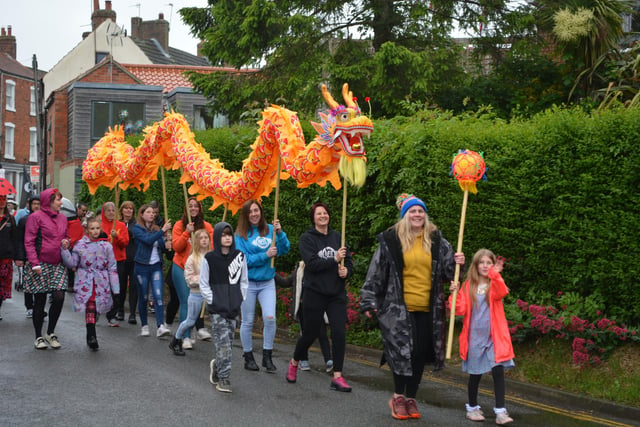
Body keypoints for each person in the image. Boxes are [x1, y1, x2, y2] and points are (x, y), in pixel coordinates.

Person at [360, 193, 465, 420]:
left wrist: (458, 263)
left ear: (425, 215)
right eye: (412, 211)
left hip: (428, 308)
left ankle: (411, 398)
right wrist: (368, 299)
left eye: (420, 211)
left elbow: (449, 273)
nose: (417, 214)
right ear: (404, 216)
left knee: (418, 354)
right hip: (397, 309)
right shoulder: (391, 241)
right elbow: (376, 271)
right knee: (401, 353)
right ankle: (398, 397)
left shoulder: (437, 240)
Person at [285, 203, 352, 392]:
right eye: (318, 213)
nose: (323, 216)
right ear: (313, 218)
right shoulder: (307, 239)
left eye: (325, 213)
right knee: (310, 334)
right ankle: (295, 361)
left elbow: (349, 263)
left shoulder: (339, 237)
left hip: (336, 294)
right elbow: (312, 264)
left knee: (339, 332)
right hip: (315, 293)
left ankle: (337, 376)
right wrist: (334, 260)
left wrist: (346, 271)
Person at [449, 249, 515, 425]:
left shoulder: (495, 284)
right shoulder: (469, 285)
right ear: (476, 265)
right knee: (475, 374)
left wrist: (496, 275)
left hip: (493, 337)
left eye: (489, 263)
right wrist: (454, 294)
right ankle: (472, 407)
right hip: (475, 338)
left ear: (493, 266)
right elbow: (459, 310)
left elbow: (502, 292)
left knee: (497, 370)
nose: (485, 266)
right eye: (482, 263)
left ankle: (500, 411)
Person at [235, 199, 290, 373]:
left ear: (261, 212)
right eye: (250, 211)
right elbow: (242, 260)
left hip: (267, 282)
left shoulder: (271, 230)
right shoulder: (240, 235)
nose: (254, 214)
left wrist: (280, 234)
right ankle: (248, 356)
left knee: (270, 318)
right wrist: (265, 255)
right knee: (248, 321)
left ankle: (267, 356)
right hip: (248, 283)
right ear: (245, 214)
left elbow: (284, 249)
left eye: (256, 210)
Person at [201, 222, 248, 393]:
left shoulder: (240, 256)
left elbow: (244, 280)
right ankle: (224, 378)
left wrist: (239, 299)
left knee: (228, 342)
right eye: (223, 234)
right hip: (217, 309)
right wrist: (213, 301)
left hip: (233, 307)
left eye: (229, 234)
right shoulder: (210, 259)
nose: (227, 237)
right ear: (217, 237)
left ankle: (218, 367)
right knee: (224, 345)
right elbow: (204, 283)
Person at [61, 217, 119, 350]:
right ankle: (91, 335)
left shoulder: (107, 246)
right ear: (87, 230)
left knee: (96, 307)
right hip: (85, 281)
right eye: (92, 229)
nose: (95, 231)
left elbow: (112, 267)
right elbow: (72, 263)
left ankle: (92, 328)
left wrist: (115, 288)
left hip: (102, 281)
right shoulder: (80, 245)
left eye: (97, 228)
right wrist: (64, 250)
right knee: (90, 305)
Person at [23, 188, 70, 349]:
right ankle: (38, 336)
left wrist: (66, 242)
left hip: (57, 264)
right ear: (49, 201)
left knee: (59, 296)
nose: (61, 203)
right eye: (58, 200)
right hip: (40, 263)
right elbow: (29, 241)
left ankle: (50, 332)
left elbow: (66, 236)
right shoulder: (35, 217)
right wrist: (34, 263)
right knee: (40, 299)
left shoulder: (63, 218)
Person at [275, 261, 333, 372]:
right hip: (303, 307)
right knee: (305, 334)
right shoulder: (299, 271)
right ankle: (303, 359)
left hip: (318, 305)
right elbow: (285, 282)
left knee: (322, 333)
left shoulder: (320, 270)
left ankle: (328, 360)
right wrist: (273, 274)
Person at [171, 197, 213, 349]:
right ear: (186, 209)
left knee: (199, 303)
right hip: (181, 267)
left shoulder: (207, 226)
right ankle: (185, 337)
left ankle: (195, 330)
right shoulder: (179, 225)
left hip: (201, 269)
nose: (193, 208)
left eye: (196, 206)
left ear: (200, 208)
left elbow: (211, 247)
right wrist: (186, 233)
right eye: (190, 206)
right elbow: (176, 247)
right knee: (185, 301)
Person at [131, 203, 172, 338]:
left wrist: (166, 241)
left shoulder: (156, 229)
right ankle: (144, 325)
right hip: (141, 266)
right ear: (142, 215)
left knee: (158, 295)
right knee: (143, 296)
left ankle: (160, 325)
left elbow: (160, 246)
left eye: (153, 213)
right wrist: (162, 231)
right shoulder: (136, 229)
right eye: (148, 212)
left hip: (155, 266)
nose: (151, 214)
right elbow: (147, 241)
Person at [100, 201, 129, 324]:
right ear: (104, 212)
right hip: (103, 262)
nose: (111, 212)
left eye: (113, 210)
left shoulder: (121, 225)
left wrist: (117, 236)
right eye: (108, 210)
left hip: (119, 261)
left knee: (119, 289)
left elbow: (125, 243)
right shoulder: (99, 225)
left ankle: (113, 313)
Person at [15, 195, 40, 318]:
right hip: (27, 255)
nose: (36, 206)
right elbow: (19, 240)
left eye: (38, 204)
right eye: (34, 203)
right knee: (28, 282)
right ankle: (29, 306)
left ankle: (38, 307)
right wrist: (20, 257)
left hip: (41, 255)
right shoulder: (24, 220)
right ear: (29, 205)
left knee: (41, 283)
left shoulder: (45, 220)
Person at [0, 194, 17, 321]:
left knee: (2, 285)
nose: (2, 202)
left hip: (6, 256)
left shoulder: (10, 219)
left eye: (3, 199)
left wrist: (15, 255)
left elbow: (14, 237)